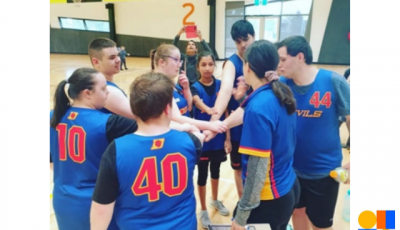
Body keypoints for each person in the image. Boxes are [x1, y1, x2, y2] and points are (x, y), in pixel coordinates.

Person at [90, 72, 204, 230]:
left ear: (135, 109)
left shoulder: (116, 150)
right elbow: (199, 138)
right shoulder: (191, 143)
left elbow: (101, 209)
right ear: (167, 109)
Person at [216, 40, 300, 230]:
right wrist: (218, 126)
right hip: (288, 187)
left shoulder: (259, 108)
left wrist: (242, 215)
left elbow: (256, 171)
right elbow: (247, 109)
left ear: (247, 67)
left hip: (268, 199)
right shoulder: (279, 93)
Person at [49, 68, 139, 230]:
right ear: (87, 93)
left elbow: (52, 162)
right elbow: (152, 125)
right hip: (97, 205)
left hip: (63, 201)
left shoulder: (52, 116)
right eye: (104, 89)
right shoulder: (108, 123)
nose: (107, 94)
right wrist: (186, 126)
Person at [276, 36, 350, 230]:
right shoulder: (283, 85)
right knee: (297, 212)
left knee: (320, 225)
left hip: (324, 172)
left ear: (300, 57)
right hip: (291, 170)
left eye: (283, 60)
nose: (279, 65)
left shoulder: (334, 81)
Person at [89, 37, 193, 131]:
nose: (118, 60)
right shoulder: (108, 91)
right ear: (96, 62)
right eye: (112, 57)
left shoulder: (108, 86)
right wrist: (184, 127)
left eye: (118, 55)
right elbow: (146, 119)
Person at [208, 19, 256, 199]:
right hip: (237, 128)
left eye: (246, 38)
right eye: (238, 41)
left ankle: (258, 207)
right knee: (238, 169)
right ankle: (243, 204)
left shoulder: (261, 59)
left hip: (257, 125)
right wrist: (214, 119)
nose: (243, 44)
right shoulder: (231, 63)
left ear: (254, 36)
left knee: (259, 169)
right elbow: (226, 90)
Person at [190, 51, 231, 228]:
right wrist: (209, 110)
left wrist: (228, 138)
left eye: (210, 64)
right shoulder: (194, 87)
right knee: (202, 175)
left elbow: (227, 112)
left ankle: (215, 200)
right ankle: (204, 209)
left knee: (216, 171)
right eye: (203, 65)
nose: (207, 68)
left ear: (215, 65)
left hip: (219, 137)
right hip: (203, 139)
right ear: (198, 67)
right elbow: (196, 101)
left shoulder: (222, 85)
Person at [150, 44, 228, 134]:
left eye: (180, 61)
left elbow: (189, 108)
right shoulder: (156, 87)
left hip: (181, 135)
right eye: (176, 60)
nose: (179, 65)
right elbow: (177, 118)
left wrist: (186, 88)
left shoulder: (174, 85)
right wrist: (210, 125)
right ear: (162, 62)